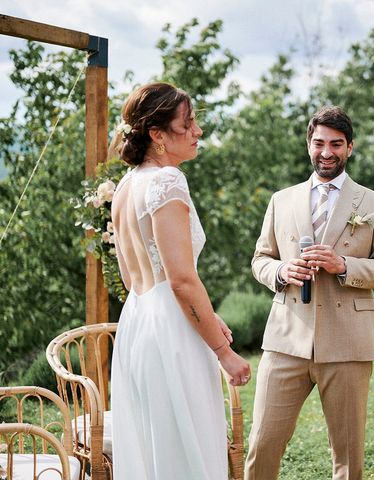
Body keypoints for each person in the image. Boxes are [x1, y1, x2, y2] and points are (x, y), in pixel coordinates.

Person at [245, 105, 374, 479]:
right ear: (308, 144)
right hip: (285, 340)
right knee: (262, 445)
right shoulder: (280, 200)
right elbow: (260, 259)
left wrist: (344, 265)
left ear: (350, 147)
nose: (326, 152)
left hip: (349, 342)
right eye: (319, 143)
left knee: (348, 458)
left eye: (336, 144)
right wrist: (282, 270)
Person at [109, 82, 251, 479]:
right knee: (188, 451)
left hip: (137, 323)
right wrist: (223, 351)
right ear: (156, 134)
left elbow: (129, 275)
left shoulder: (125, 187)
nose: (198, 132)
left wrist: (207, 316)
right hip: (170, 332)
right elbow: (182, 281)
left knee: (155, 449)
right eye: (187, 124)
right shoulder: (166, 183)